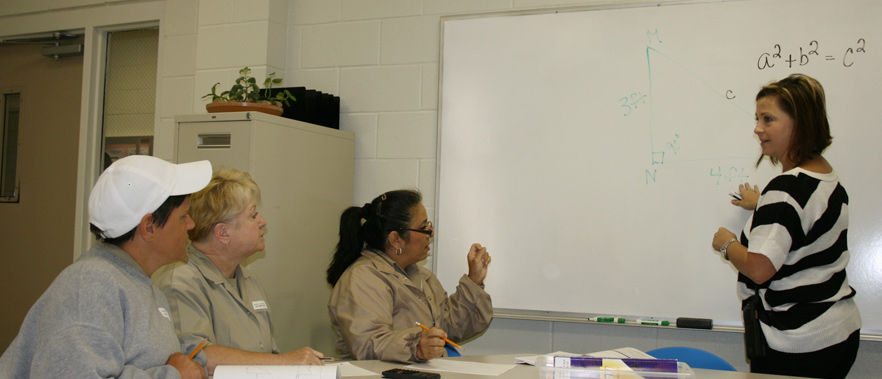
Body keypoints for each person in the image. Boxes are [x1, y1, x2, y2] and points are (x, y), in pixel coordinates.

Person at [0, 155, 212, 379]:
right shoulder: (89, 287)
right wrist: (173, 375)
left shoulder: (138, 284)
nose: (191, 225)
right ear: (149, 227)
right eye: (184, 216)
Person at [711, 74, 861, 378]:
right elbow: (803, 221)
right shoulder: (826, 180)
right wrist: (762, 204)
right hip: (838, 331)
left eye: (768, 119)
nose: (757, 129)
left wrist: (727, 244)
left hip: (798, 346)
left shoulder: (785, 190)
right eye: (757, 119)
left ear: (800, 123)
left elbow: (760, 268)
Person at [154, 168, 326, 375]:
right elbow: (197, 357)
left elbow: (266, 354)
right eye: (253, 215)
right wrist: (285, 362)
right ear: (223, 233)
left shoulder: (248, 280)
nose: (263, 222)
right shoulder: (181, 282)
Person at [326, 189, 493, 363]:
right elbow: (367, 345)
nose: (430, 233)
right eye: (423, 228)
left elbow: (449, 327)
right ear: (395, 239)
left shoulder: (421, 275)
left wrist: (474, 280)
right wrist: (417, 347)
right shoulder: (362, 278)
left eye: (429, 226)